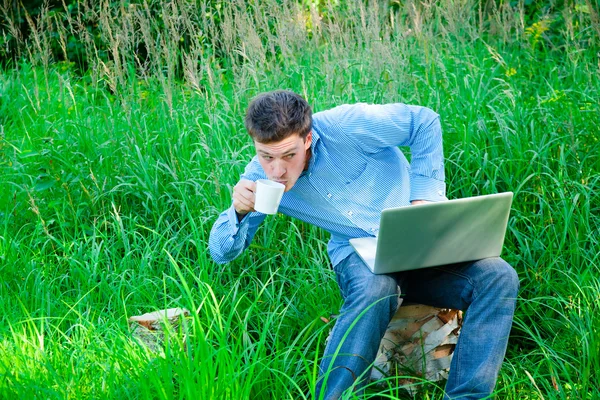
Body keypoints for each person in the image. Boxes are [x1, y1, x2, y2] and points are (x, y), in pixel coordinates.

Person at [209, 90, 519, 399]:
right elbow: (221, 252)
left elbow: (424, 121)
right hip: (359, 255)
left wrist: (424, 200)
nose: (277, 170)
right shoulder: (258, 180)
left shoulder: (347, 125)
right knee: (376, 288)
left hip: (420, 243)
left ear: (307, 139)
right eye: (266, 156)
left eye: (289, 155)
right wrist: (237, 211)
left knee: (498, 276)